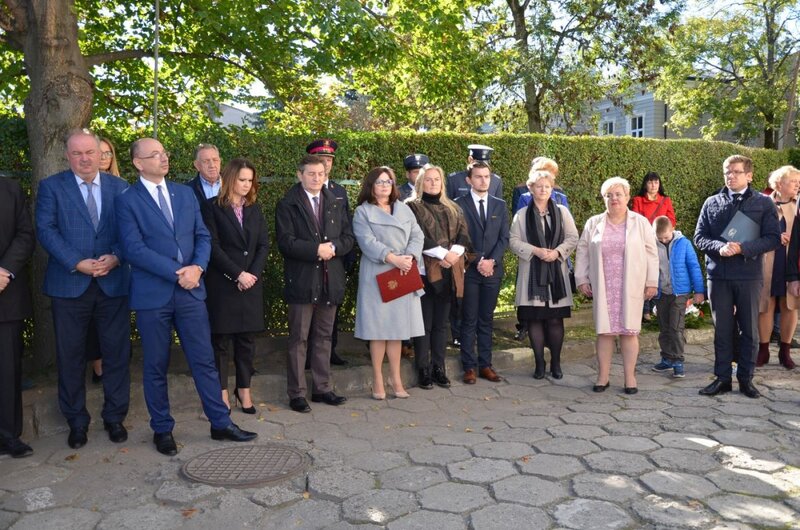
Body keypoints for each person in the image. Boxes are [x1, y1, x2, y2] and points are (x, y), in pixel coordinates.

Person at [116, 137, 256, 455]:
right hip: (155, 295)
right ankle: (162, 429)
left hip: (192, 291)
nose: (163, 158)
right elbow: (133, 249)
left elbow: (203, 236)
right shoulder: (127, 200)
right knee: (155, 364)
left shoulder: (184, 194)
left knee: (204, 360)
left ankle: (220, 424)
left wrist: (197, 268)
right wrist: (178, 273)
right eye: (155, 154)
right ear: (138, 163)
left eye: (164, 152)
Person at [36, 128, 132, 449]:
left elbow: (131, 232)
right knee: (71, 356)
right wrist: (76, 262)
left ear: (100, 154)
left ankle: (115, 417)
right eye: (77, 153)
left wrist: (116, 257)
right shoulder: (52, 187)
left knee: (117, 354)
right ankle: (76, 421)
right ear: (68, 156)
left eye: (90, 152)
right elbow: (46, 230)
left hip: (113, 282)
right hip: (69, 283)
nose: (84, 158)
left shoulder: (121, 188)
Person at [694, 155, 781, 399]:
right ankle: (722, 379)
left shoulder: (763, 204)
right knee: (722, 330)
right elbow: (699, 237)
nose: (730, 176)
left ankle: (746, 378)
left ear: (749, 175)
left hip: (748, 275)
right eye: (727, 172)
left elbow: (773, 238)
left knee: (749, 330)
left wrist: (744, 248)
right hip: (718, 275)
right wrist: (718, 247)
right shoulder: (711, 202)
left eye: (736, 172)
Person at [275, 154, 354, 412]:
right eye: (311, 174)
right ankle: (296, 393)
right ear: (300, 175)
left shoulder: (335, 202)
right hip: (302, 281)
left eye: (320, 174)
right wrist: (315, 250)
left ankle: (322, 388)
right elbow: (286, 242)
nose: (316, 178)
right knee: (299, 338)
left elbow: (348, 237)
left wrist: (333, 247)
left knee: (323, 336)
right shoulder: (288, 204)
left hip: (330, 279)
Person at [575, 177, 659, 395]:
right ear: (604, 199)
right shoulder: (593, 223)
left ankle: (630, 378)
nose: (614, 199)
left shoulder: (640, 222)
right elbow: (583, 251)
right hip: (604, 284)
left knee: (629, 332)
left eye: (618, 194)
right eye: (608, 195)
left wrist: (652, 281)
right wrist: (582, 278)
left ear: (628, 197)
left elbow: (652, 253)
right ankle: (602, 377)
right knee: (604, 332)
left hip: (631, 284)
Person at [201, 158, 270, 413]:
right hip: (224, 285)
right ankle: (221, 394)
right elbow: (213, 247)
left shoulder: (254, 208)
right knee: (220, 342)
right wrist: (237, 274)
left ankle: (244, 390)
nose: (246, 184)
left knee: (247, 341)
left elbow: (263, 244)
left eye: (250, 180)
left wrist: (251, 274)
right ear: (230, 179)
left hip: (250, 285)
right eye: (242, 179)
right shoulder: (211, 208)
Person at [353, 166, 425, 399]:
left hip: (404, 273)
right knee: (378, 331)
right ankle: (377, 380)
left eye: (388, 182)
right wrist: (393, 258)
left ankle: (396, 380)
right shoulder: (362, 212)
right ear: (370, 186)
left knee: (397, 330)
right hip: (378, 273)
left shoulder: (404, 209)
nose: (384, 186)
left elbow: (417, 235)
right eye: (379, 182)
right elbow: (367, 241)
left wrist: (410, 257)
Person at [510, 169, 578, 379]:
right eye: (539, 186)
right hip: (531, 273)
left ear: (552, 189)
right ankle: (539, 363)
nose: (543, 190)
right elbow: (513, 241)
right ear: (530, 189)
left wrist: (558, 252)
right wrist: (536, 251)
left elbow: (573, 237)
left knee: (555, 321)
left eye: (547, 186)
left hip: (556, 272)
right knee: (535, 321)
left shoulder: (562, 212)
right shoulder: (521, 215)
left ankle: (556, 363)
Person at [407, 165, 471, 389]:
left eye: (437, 180)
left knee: (441, 324)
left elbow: (464, 234)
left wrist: (453, 255)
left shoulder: (452, 207)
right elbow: (417, 236)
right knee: (424, 323)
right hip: (425, 271)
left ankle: (438, 367)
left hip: (450, 272)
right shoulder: (412, 207)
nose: (433, 183)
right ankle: (423, 369)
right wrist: (443, 254)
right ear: (420, 182)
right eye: (428, 180)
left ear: (442, 183)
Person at [454, 161, 509, 384]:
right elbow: (457, 237)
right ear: (469, 180)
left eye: (487, 176)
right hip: (469, 269)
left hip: (492, 271)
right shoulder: (458, 205)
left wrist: (492, 261)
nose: (483, 181)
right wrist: (476, 260)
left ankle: (485, 364)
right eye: (478, 177)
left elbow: (504, 237)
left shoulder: (499, 205)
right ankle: (469, 367)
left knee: (486, 319)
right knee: (468, 319)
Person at [305, 138, 351, 366]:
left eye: (329, 159)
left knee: (332, 309)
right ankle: (307, 355)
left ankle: (330, 350)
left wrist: (343, 257)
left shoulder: (339, 191)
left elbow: (347, 228)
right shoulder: (301, 193)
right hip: (311, 261)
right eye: (321, 159)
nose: (326, 163)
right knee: (309, 311)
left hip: (334, 261)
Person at [0, 177, 36, 458]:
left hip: (5, 294)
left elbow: (25, 235)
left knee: (7, 369)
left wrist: (5, 271)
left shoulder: (11, 188)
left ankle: (8, 436)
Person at [651, 216, 706, 378]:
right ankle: (667, 358)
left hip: (679, 293)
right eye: (659, 238)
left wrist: (699, 290)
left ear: (673, 229)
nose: (663, 240)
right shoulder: (652, 245)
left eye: (666, 237)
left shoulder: (684, 243)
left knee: (676, 327)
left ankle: (678, 361)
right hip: (661, 293)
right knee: (664, 326)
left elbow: (694, 266)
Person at [88, 136, 122, 384]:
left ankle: (111, 370)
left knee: (113, 332)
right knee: (89, 327)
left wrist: (116, 257)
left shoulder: (122, 186)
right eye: (99, 153)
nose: (103, 158)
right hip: (82, 271)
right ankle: (96, 367)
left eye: (108, 153)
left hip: (114, 269)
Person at [761, 165, 800, 369]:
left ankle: (785, 352)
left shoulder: (799, 205)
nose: (797, 185)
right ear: (779, 184)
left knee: (789, 305)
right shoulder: (761, 202)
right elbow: (749, 230)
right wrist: (773, 236)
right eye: (793, 181)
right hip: (767, 262)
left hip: (791, 263)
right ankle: (763, 350)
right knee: (766, 305)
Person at [632, 171, 677, 322]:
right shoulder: (638, 200)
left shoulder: (665, 200)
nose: (653, 185)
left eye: (656, 182)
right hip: (644, 241)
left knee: (659, 273)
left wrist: (661, 232)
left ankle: (655, 308)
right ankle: (644, 310)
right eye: (650, 182)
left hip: (660, 241)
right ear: (645, 184)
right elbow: (636, 219)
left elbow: (671, 219)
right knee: (645, 275)